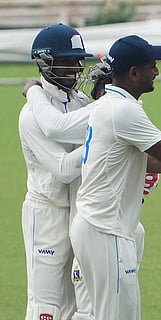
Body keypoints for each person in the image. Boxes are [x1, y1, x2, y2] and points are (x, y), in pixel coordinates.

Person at [69, 34, 161, 320]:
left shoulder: (108, 104)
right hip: (106, 230)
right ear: (134, 73)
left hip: (95, 225)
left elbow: (154, 162)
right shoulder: (124, 110)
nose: (157, 71)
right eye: (151, 66)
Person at [24, 53, 161, 320]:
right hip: (62, 218)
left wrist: (105, 145)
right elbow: (61, 158)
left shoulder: (94, 109)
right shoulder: (36, 115)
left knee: (89, 307)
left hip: (97, 220)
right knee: (53, 306)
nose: (76, 69)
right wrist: (102, 145)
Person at [18, 23, 93, 320]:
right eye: (65, 61)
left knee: (77, 302)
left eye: (77, 60)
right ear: (45, 61)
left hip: (77, 211)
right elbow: (62, 169)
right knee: (46, 306)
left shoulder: (80, 101)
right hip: (46, 213)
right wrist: (96, 143)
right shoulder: (30, 115)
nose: (74, 68)